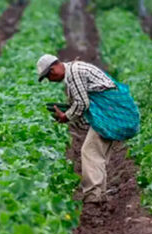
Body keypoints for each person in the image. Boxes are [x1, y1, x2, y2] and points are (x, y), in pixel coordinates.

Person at [37, 54, 140, 203]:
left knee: (89, 151)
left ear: (53, 69)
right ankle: (99, 193)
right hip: (108, 113)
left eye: (48, 76)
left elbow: (82, 103)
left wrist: (66, 116)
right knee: (97, 154)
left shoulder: (74, 73)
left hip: (108, 114)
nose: (50, 80)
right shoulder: (75, 70)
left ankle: (93, 195)